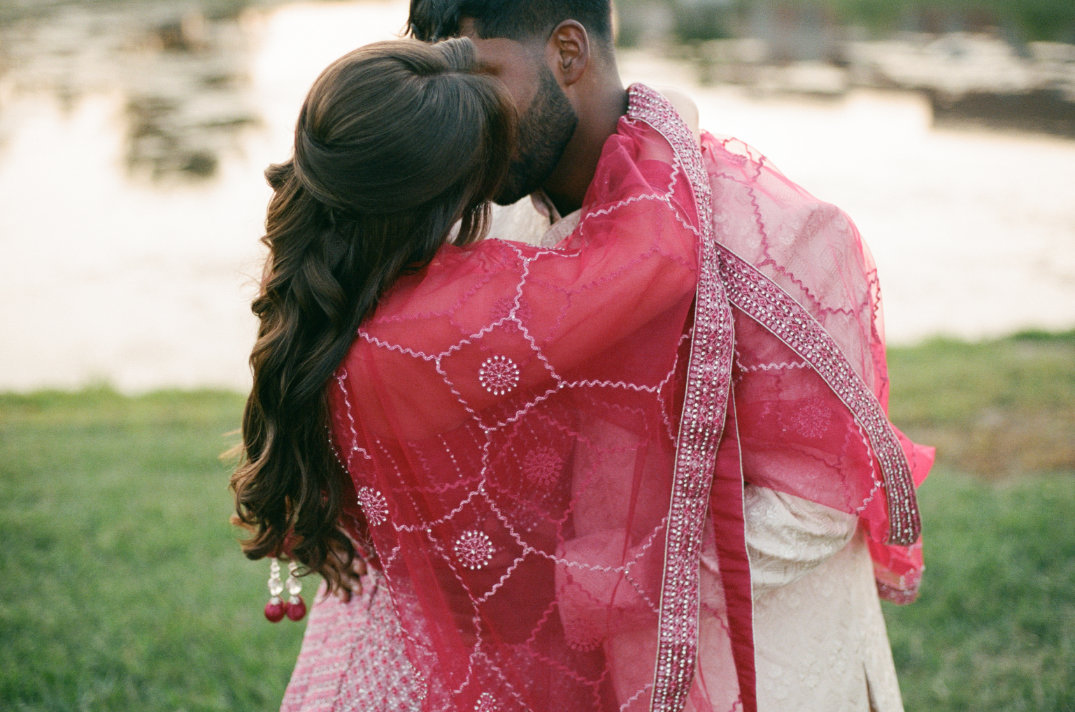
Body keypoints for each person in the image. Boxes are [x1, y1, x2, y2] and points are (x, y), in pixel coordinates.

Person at [397, 2, 931, 712]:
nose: (457, 117)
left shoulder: (772, 237)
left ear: (567, 52)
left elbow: (814, 502)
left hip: (771, 666)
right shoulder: (490, 234)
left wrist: (582, 579)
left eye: (478, 77)